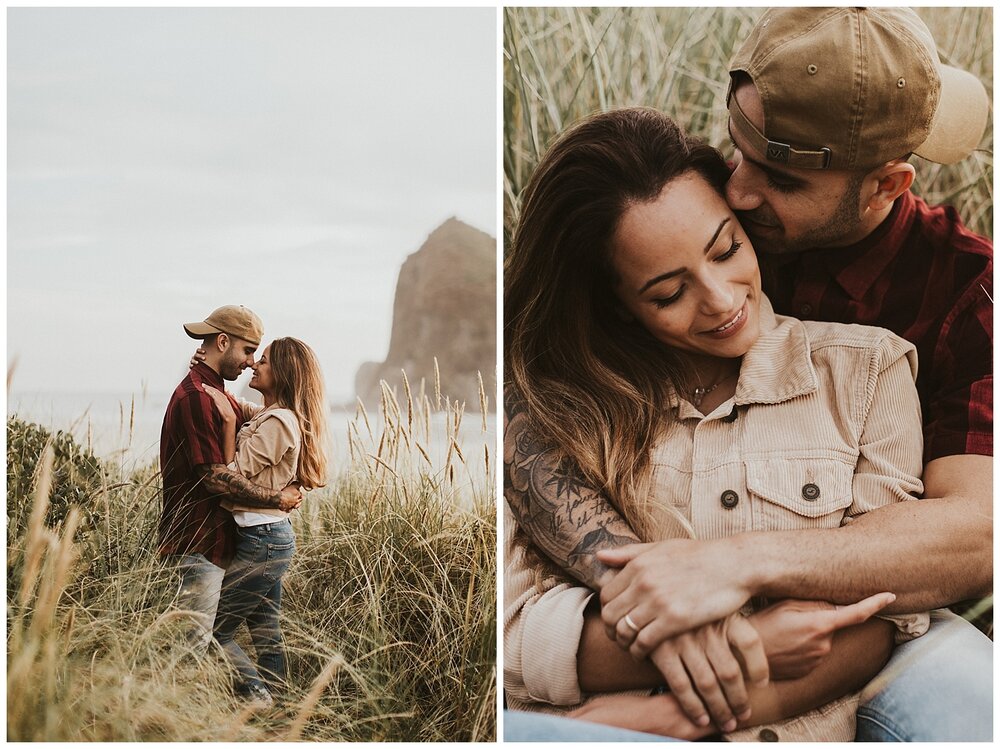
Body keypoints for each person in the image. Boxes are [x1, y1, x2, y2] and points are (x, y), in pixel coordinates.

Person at [504, 6, 992, 742]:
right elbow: (531, 386)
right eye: (738, 151)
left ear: (887, 184)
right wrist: (648, 595)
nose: (736, 189)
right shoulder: (677, 205)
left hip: (863, 623)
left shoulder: (963, 297)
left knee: (971, 695)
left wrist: (732, 567)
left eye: (779, 179)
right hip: (626, 653)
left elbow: (975, 532)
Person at [159, 305, 302, 655]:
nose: (252, 362)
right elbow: (214, 478)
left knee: (250, 634)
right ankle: (228, 701)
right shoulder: (198, 397)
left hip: (220, 539)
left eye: (257, 355)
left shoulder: (217, 393)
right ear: (223, 341)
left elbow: (261, 422)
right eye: (249, 351)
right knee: (197, 645)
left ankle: (267, 702)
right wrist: (277, 499)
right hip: (199, 538)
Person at [200, 337, 329, 706]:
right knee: (266, 633)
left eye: (266, 361)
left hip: (263, 540)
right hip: (265, 538)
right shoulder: (274, 416)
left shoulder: (279, 423)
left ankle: (259, 697)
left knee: (215, 633)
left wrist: (226, 424)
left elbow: (233, 474)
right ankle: (286, 714)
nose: (255, 364)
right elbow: (242, 408)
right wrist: (209, 376)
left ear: (284, 374)